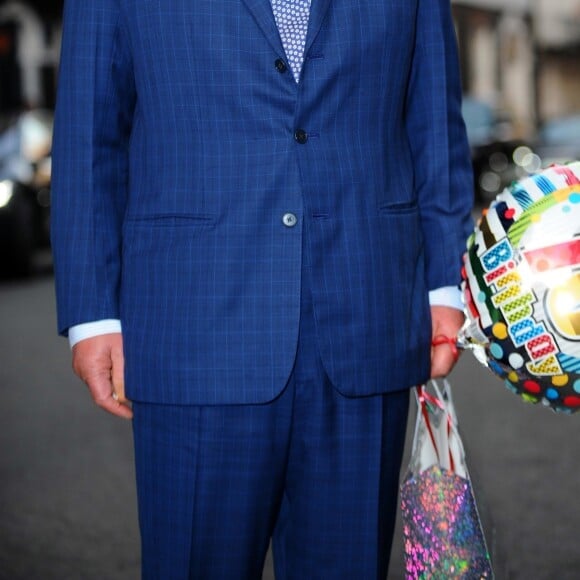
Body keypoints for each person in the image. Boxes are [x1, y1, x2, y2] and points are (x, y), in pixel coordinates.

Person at [51, 0, 473, 578]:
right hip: (193, 323)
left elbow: (433, 120)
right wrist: (93, 313)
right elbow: (89, 133)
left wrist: (444, 285)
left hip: (367, 309)